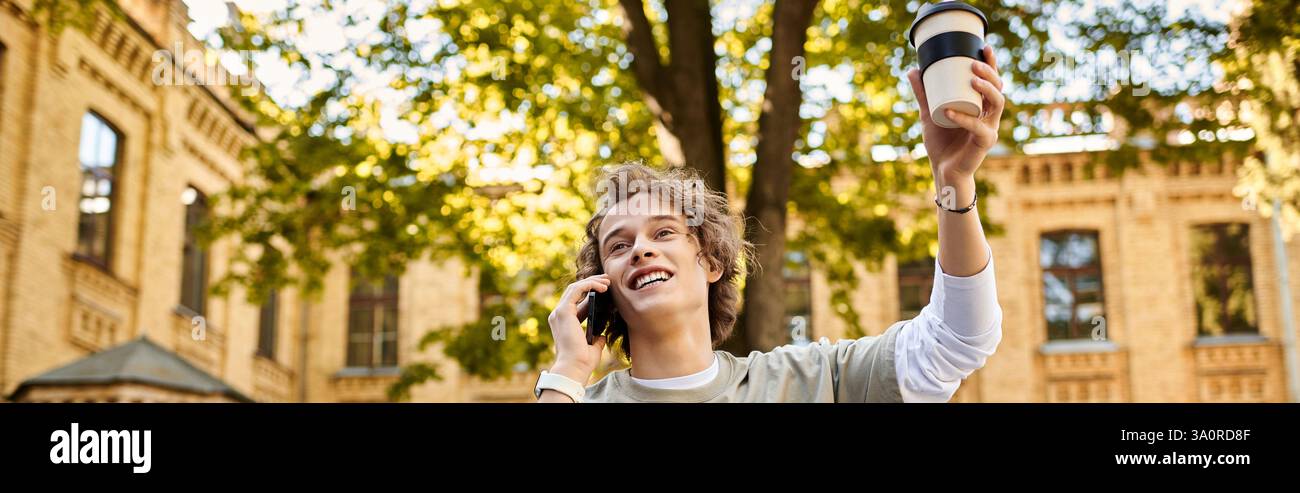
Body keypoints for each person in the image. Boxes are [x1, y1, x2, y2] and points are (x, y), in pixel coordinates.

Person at [535, 45, 1007, 403]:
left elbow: (957, 340)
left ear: (711, 262)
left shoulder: (812, 382)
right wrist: (569, 369)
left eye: (663, 232)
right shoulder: (573, 396)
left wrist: (954, 180)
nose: (640, 249)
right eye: (618, 246)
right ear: (599, 291)